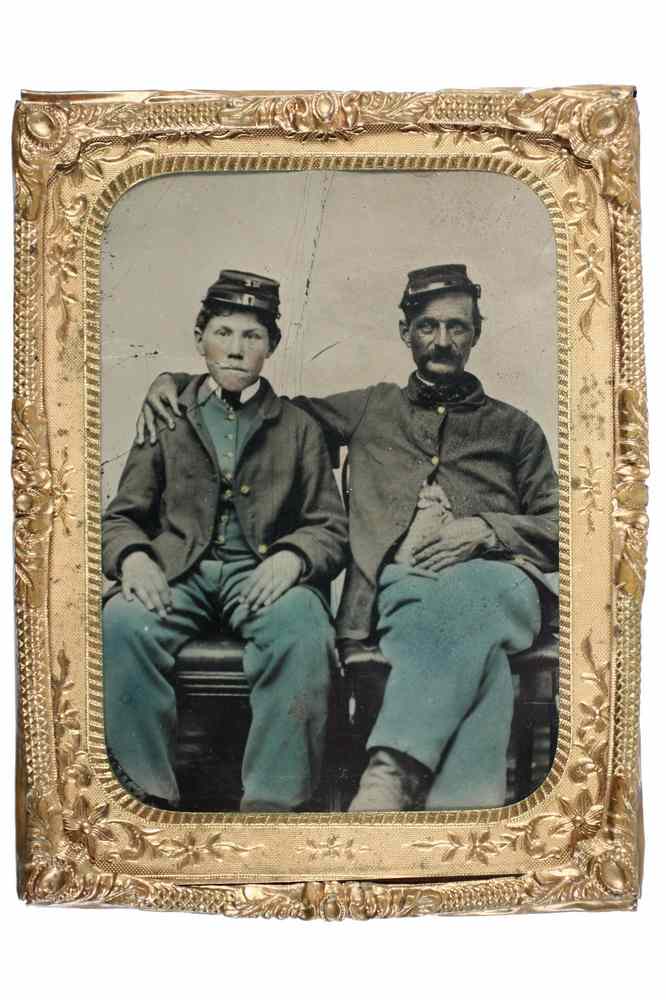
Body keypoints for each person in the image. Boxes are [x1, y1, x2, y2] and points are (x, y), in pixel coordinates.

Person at [136, 264, 558, 811]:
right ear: (405, 332)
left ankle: (391, 770)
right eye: (428, 326)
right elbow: (267, 412)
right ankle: (461, 820)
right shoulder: (372, 407)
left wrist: (485, 531)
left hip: (501, 583)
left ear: (476, 333)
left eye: (458, 327)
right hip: (402, 590)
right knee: (485, 666)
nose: (443, 340)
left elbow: (562, 526)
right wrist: (174, 383)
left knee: (470, 602)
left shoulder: (516, 428)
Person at [102, 270, 348, 812]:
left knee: (304, 630)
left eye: (252, 336)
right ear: (200, 339)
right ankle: (146, 800)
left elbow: (330, 526)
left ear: (272, 347)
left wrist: (292, 557)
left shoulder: (298, 427)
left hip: (260, 577)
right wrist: (135, 558)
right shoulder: (168, 415)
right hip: (177, 574)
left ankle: (272, 809)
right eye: (224, 332)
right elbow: (121, 517)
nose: (236, 350)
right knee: (121, 625)